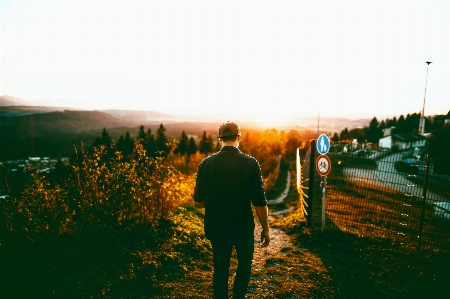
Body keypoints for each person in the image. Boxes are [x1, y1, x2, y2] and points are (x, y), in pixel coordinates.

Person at [193, 121, 270, 299]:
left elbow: (200, 201)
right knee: (245, 264)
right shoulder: (251, 164)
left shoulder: (205, 164)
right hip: (243, 227)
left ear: (220, 139)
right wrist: (265, 229)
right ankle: (238, 295)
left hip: (216, 226)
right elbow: (260, 202)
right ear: (239, 138)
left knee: (220, 268)